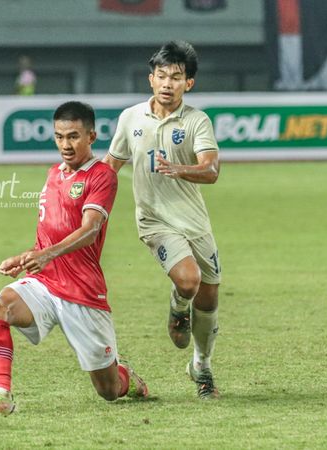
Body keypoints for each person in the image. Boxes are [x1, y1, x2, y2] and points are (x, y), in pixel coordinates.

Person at [0, 101, 148, 417]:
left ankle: (126, 377)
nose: (66, 145)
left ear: (91, 136)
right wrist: (26, 259)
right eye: (60, 137)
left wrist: (46, 254)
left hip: (83, 293)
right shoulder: (53, 175)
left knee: (108, 392)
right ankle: (0, 396)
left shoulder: (102, 176)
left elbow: (89, 231)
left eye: (73, 136)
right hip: (44, 282)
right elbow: (48, 234)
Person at [102, 41, 222, 399]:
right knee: (189, 282)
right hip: (154, 220)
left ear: (189, 83)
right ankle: (176, 308)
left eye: (177, 77)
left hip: (195, 222)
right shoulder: (131, 118)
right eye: (162, 76)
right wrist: (94, 209)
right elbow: (111, 167)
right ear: (150, 79)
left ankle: (201, 366)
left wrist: (179, 169)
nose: (168, 83)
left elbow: (212, 170)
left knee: (210, 299)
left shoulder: (197, 120)